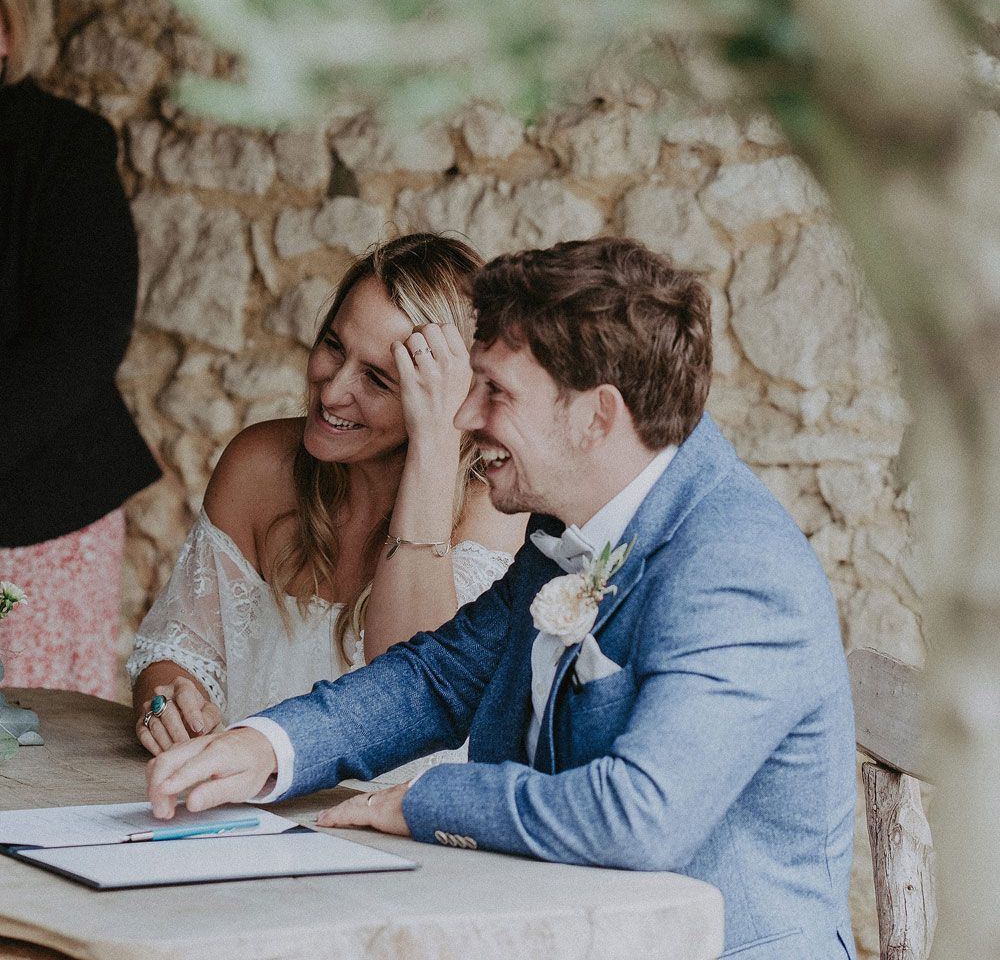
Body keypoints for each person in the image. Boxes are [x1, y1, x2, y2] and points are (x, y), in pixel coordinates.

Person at [147, 238, 857, 960]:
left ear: (596, 418)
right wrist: (266, 747)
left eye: (496, 393)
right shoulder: (567, 517)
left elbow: (641, 817)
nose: (462, 418)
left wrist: (420, 803)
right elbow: (438, 675)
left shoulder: (739, 566)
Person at [129, 233, 527, 783]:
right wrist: (168, 700)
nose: (333, 389)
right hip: (245, 819)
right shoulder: (259, 464)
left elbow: (415, 689)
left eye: (379, 378)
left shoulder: (497, 505)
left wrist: (437, 440)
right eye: (335, 345)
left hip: (409, 840)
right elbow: (179, 649)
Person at [0, 0, 161, 699]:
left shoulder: (61, 144)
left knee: (28, 753)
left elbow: (83, 336)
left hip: (32, 513)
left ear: (4, 29)